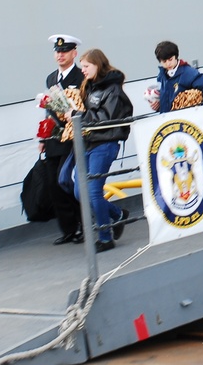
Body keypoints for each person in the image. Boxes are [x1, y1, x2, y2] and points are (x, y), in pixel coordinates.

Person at [69, 48, 133, 253]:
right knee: (80, 191)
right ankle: (117, 215)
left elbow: (106, 119)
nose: (83, 70)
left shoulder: (112, 89)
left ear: (98, 64)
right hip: (89, 142)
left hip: (105, 143)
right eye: (82, 67)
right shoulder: (89, 87)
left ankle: (105, 238)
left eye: (86, 66)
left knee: (94, 191)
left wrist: (77, 115)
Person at [42, 34, 84, 245]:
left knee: (69, 181)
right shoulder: (51, 79)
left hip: (73, 136)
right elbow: (49, 109)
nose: (60, 55)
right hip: (54, 137)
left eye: (64, 51)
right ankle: (68, 229)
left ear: (74, 53)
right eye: (57, 52)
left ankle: (84, 226)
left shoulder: (80, 77)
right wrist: (43, 135)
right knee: (54, 184)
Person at [152, 40, 203, 112]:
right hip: (168, 121)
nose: (168, 64)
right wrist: (159, 106)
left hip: (186, 119)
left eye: (170, 59)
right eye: (164, 61)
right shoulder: (161, 77)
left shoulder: (188, 72)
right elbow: (166, 101)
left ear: (176, 57)